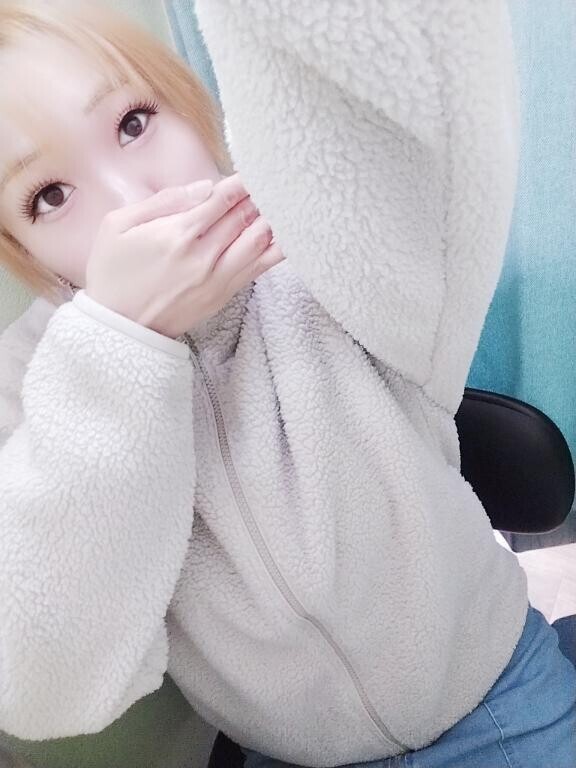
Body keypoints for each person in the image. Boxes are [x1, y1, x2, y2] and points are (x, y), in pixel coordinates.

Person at [0, 2, 574, 768]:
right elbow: (44, 684)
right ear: (21, 246)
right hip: (291, 754)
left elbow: (409, 67)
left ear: (191, 104)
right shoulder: (32, 383)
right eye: (49, 195)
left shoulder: (319, 238)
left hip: (495, 696)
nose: (133, 204)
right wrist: (119, 347)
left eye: (135, 122)